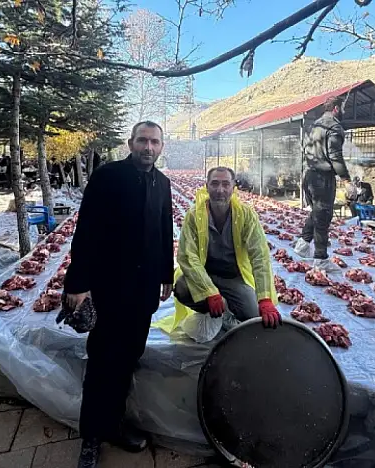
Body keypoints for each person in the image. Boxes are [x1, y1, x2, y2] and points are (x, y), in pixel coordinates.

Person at [64, 121, 174, 468]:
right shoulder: (108, 176)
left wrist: (166, 275)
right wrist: (77, 283)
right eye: (142, 140)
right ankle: (91, 437)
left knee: (128, 358)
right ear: (131, 143)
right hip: (109, 287)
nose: (148, 147)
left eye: (154, 142)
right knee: (102, 361)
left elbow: (164, 230)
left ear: (161, 147)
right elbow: (87, 231)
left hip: (142, 292)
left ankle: (114, 425)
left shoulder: (162, 183)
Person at [173, 167, 281, 334]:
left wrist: (264, 298)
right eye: (214, 184)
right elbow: (188, 256)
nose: (220, 190)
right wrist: (208, 291)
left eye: (225, 184)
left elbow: (260, 256)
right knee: (181, 287)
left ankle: (225, 312)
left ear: (233, 187)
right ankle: (217, 311)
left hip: (234, 278)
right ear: (206, 186)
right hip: (205, 274)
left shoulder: (246, 215)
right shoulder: (194, 216)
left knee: (253, 315)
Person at [293, 95, 351, 271]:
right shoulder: (334, 127)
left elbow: (305, 150)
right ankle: (320, 259)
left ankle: (303, 244)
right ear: (336, 109)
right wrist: (347, 180)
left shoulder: (314, 125)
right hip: (322, 178)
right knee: (323, 217)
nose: (343, 112)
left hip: (309, 175)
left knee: (317, 211)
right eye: (342, 108)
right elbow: (335, 156)